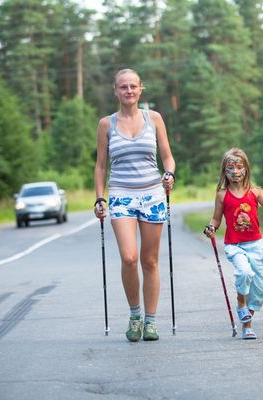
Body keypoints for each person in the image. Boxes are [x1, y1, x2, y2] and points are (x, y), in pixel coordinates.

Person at [94, 68, 176, 341]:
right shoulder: (107, 124)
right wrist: (99, 197)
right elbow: (100, 166)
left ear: (141, 89)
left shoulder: (154, 119)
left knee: (149, 261)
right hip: (121, 196)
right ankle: (135, 316)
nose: (128, 91)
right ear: (115, 91)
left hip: (152, 195)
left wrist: (169, 174)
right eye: (123, 87)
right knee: (129, 258)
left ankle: (151, 322)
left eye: (133, 86)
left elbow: (167, 157)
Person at [203, 147, 263, 340]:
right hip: (235, 245)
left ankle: (247, 326)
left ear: (246, 169)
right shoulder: (222, 194)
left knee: (257, 291)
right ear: (224, 171)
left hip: (256, 245)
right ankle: (241, 304)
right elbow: (216, 219)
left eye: (239, 167)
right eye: (230, 168)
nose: (235, 171)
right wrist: (211, 228)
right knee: (244, 272)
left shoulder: (255, 192)